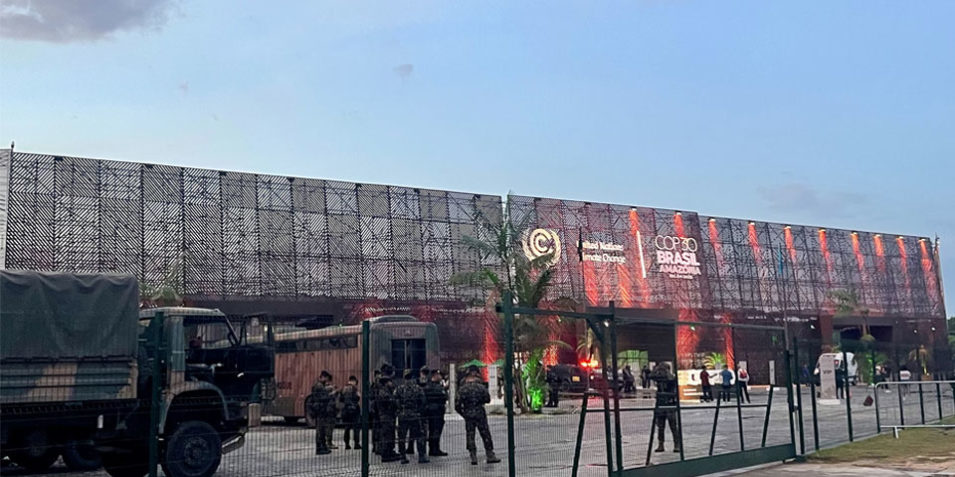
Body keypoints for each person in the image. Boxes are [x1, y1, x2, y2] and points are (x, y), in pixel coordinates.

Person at [455, 366, 501, 465]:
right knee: (485, 434)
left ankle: (473, 456)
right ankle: (490, 454)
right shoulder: (481, 387)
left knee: (470, 435)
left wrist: (464, 414)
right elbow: (487, 399)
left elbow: (457, 405)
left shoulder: (463, 389)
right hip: (480, 413)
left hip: (468, 414)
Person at [396, 369, 429, 464]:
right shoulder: (418, 388)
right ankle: (421, 456)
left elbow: (395, 401)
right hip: (415, 415)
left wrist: (400, 410)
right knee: (419, 435)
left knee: (402, 437)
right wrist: (419, 411)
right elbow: (423, 402)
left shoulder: (399, 388)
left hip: (403, 416)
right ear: (413, 377)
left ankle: (402, 456)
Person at [650, 362, 681, 453]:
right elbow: (651, 376)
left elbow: (671, 379)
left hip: (670, 404)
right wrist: (656, 369)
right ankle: (661, 444)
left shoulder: (672, 377)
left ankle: (677, 444)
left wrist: (666, 371)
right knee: (660, 426)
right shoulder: (659, 379)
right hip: (660, 404)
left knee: (673, 426)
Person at [375, 364, 402, 463]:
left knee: (390, 434)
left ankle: (390, 451)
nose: (392, 383)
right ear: (386, 383)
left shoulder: (387, 391)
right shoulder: (383, 392)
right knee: (387, 435)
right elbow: (392, 402)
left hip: (389, 416)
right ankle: (386, 454)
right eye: (390, 381)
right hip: (386, 416)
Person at [308, 370, 335, 455]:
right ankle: (320, 448)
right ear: (323, 377)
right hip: (320, 410)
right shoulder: (319, 386)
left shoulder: (319, 386)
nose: (326, 380)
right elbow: (324, 397)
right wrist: (331, 394)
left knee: (321, 429)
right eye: (326, 378)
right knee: (320, 430)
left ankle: (322, 447)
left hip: (320, 410)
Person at [423, 369, 449, 456]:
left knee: (432, 430)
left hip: (430, 411)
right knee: (436, 430)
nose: (440, 377)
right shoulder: (436, 387)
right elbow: (444, 397)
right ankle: (435, 449)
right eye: (439, 375)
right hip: (437, 412)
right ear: (435, 376)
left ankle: (433, 448)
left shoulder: (427, 386)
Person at [339, 375, 361, 450]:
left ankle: (347, 444)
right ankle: (356, 444)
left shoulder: (343, 388)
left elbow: (341, 399)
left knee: (347, 428)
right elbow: (357, 398)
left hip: (346, 410)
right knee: (356, 428)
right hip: (354, 410)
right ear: (354, 381)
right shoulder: (354, 388)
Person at [370, 370, 381, 454]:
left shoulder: (373, 385)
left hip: (374, 408)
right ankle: (378, 447)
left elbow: (370, 397)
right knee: (379, 428)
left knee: (375, 428)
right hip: (379, 409)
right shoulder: (380, 385)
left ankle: (375, 446)